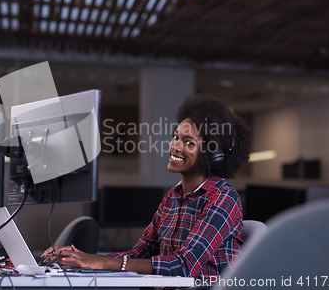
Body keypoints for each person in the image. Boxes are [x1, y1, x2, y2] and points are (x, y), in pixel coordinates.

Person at [41, 93, 251, 278]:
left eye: (188, 142)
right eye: (175, 137)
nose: (175, 147)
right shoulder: (172, 198)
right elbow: (138, 254)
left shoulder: (222, 197)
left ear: (213, 156)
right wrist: (84, 258)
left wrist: (104, 262)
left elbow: (184, 266)